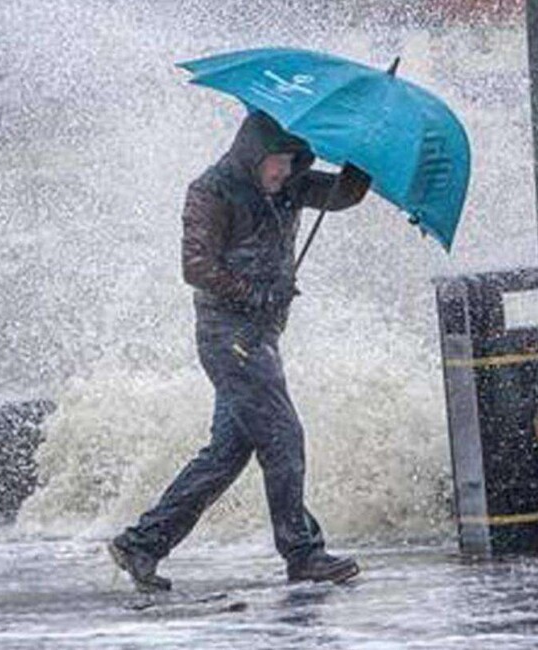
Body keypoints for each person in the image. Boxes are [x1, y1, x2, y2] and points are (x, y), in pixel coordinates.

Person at [109, 110, 371, 592]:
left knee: (227, 453)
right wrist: (255, 294)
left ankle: (142, 544)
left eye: (293, 162)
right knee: (283, 436)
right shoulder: (211, 190)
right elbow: (196, 266)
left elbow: (342, 195)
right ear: (253, 155)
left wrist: (363, 156)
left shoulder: (290, 184)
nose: (284, 173)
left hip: (261, 337)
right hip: (228, 336)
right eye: (277, 162)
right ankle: (303, 552)